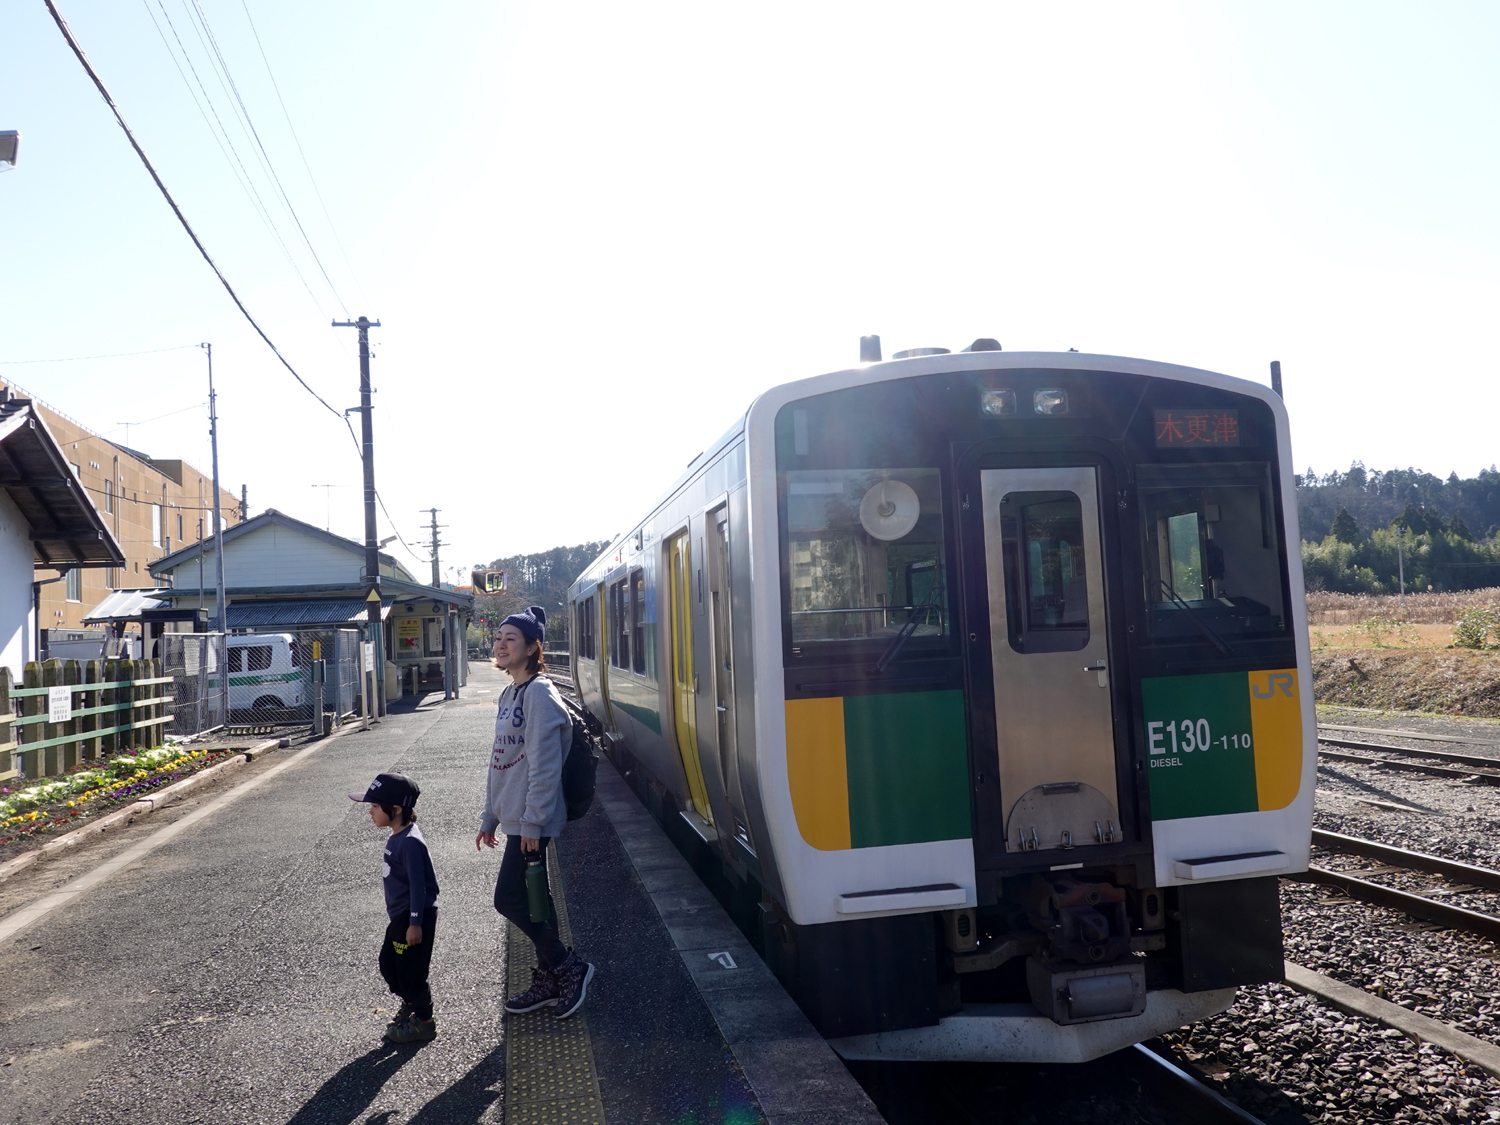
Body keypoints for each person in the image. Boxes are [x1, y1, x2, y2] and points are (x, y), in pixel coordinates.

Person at [476, 606, 594, 1018]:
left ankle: (566, 966)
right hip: (514, 815)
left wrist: (531, 822)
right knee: (535, 900)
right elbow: (500, 760)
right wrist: (490, 815)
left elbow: (544, 766)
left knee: (508, 898)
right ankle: (548, 979)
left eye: (511, 638)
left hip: (533, 817)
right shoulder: (511, 693)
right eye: (499, 637)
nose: (501, 644)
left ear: (531, 647)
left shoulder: (540, 694)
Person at [350, 771, 440, 1043]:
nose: (371, 812)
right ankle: (412, 1005)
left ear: (397, 809)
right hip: (401, 916)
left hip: (413, 917)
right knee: (390, 965)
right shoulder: (399, 835)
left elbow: (419, 886)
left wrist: (414, 923)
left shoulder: (410, 842)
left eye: (375, 807)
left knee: (412, 973)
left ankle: (424, 1023)